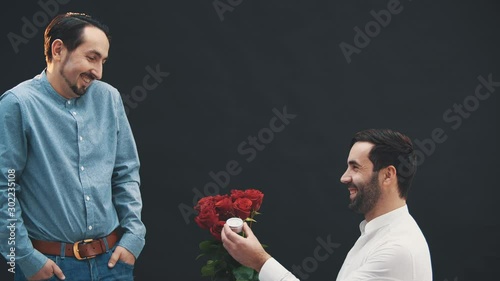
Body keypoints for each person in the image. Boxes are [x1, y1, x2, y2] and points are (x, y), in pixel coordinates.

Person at [0, 12, 146, 281]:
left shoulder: (109, 99)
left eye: (103, 61)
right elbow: (5, 189)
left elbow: (126, 172)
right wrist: (23, 258)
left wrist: (134, 238)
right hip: (51, 269)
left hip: (113, 263)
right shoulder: (17, 104)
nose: (98, 72)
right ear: (58, 50)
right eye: (91, 58)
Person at [221, 128, 433, 281]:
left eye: (355, 168)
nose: (344, 177)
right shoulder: (382, 234)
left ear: (388, 175)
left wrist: (259, 260)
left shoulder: (397, 249)